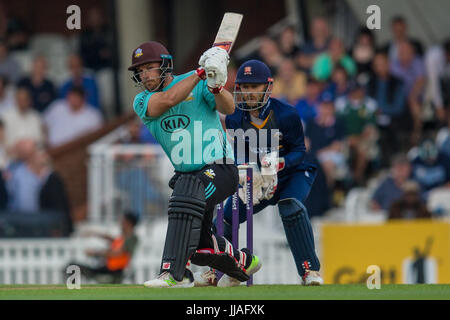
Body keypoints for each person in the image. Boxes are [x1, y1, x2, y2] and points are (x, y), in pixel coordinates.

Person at [128, 41, 261, 288]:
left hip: (219, 167)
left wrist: (216, 86)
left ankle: (171, 273)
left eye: (150, 67)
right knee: (201, 248)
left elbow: (229, 107)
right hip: (188, 176)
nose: (145, 75)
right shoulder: (142, 101)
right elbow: (167, 100)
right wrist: (201, 74)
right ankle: (244, 261)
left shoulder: (198, 81)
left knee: (184, 199)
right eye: (141, 70)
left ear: (165, 65)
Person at [213, 59, 323, 286]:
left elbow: (300, 151)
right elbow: (242, 154)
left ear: (268, 87)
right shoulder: (235, 118)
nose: (249, 92)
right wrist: (248, 177)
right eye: (245, 86)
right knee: (225, 218)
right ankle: (228, 269)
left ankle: (309, 271)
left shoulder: (286, 114)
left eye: (255, 86)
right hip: (260, 178)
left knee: (290, 205)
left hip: (292, 173)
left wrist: (280, 163)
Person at [64, 212, 139, 283]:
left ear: (128, 223)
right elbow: (111, 239)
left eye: (123, 221)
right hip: (108, 268)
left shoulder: (131, 239)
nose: (120, 224)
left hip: (114, 271)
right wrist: (93, 233)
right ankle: (72, 289)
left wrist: (96, 253)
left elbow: (117, 253)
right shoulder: (123, 238)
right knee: (73, 266)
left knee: (73, 267)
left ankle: (72, 290)